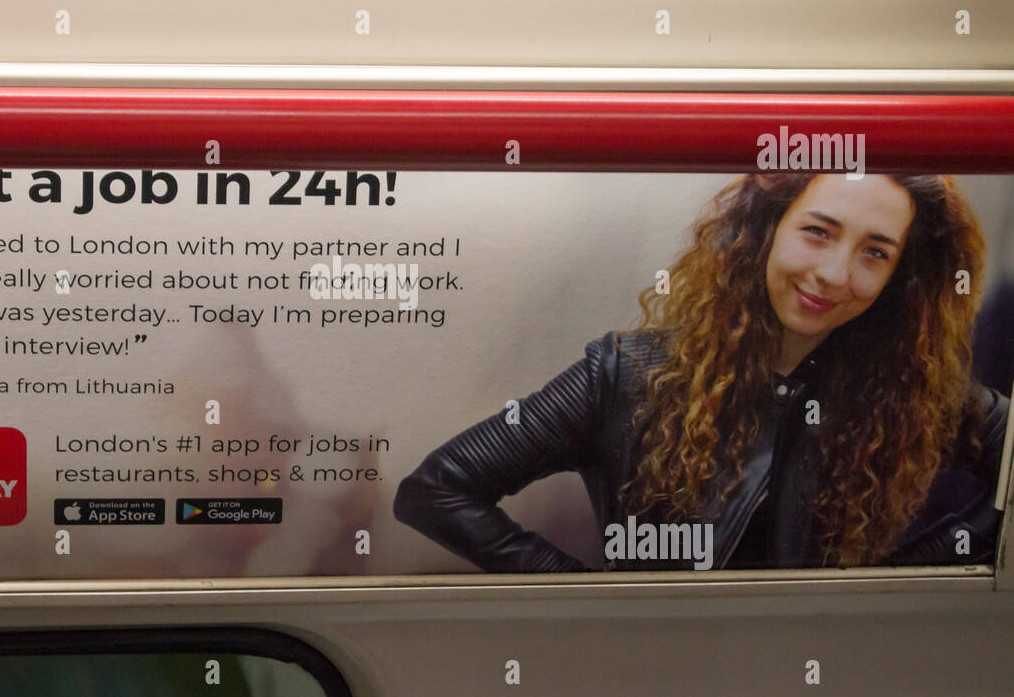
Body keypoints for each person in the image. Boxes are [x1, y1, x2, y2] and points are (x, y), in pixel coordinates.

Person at [393, 173, 1010, 572]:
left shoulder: (911, 387)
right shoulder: (626, 373)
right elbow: (436, 491)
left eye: (875, 251)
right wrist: (580, 599)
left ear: (900, 275)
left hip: (821, 677)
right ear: (766, 232)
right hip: (656, 679)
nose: (835, 273)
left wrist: (903, 575)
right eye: (818, 233)